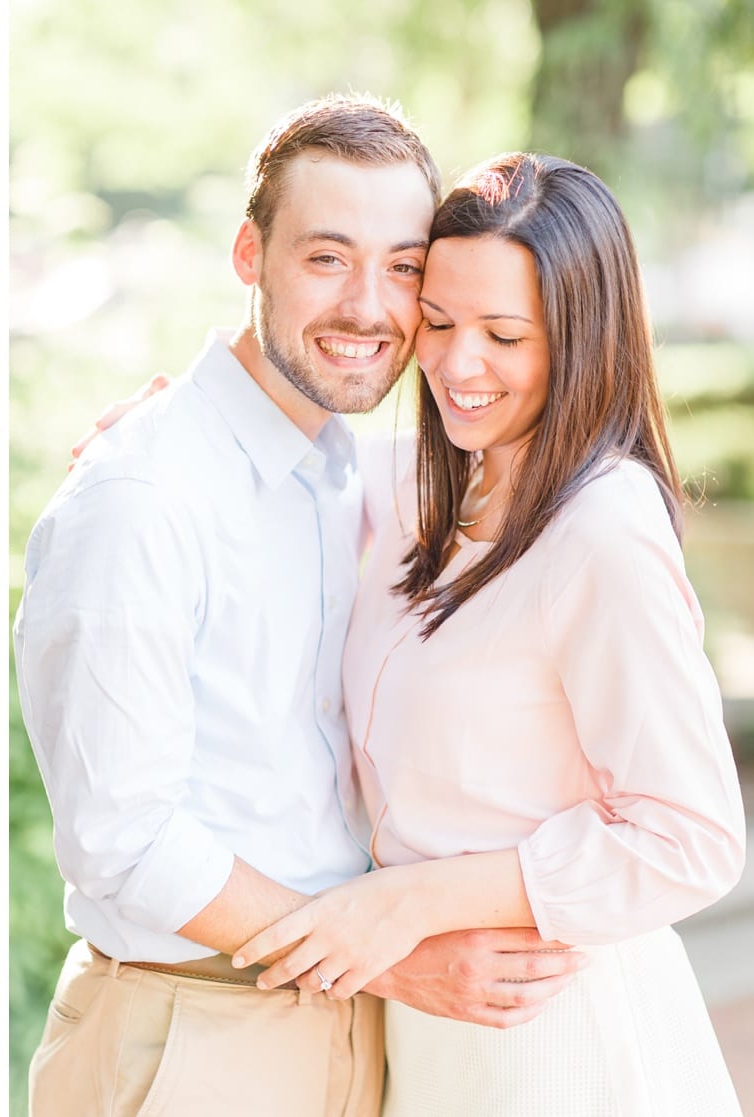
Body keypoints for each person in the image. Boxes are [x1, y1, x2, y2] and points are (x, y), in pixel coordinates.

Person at [14, 95, 584, 1117]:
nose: (369, 307)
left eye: (404, 267)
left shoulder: (349, 473)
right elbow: (126, 838)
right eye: (327, 258)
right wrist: (385, 958)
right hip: (190, 1030)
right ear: (249, 254)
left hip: (341, 1024)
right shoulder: (142, 499)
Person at [234, 153, 745, 1115]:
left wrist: (415, 900)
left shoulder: (602, 531)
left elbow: (692, 838)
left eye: (505, 336)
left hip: (559, 1038)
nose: (456, 367)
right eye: (439, 321)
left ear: (584, 340)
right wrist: (169, 427)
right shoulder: (432, 487)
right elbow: (284, 454)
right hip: (434, 1030)